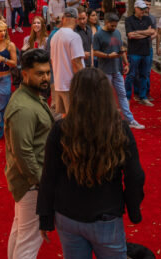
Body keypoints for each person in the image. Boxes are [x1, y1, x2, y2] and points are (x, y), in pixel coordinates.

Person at [36, 68, 145, 258]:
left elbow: (48, 176)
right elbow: (135, 175)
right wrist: (133, 209)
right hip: (105, 216)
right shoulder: (119, 129)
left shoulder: (61, 129)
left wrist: (45, 218)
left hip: (68, 215)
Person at [5, 49, 53, 259]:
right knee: (29, 242)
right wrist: (42, 183)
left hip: (30, 181)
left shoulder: (31, 97)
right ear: (25, 74)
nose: (45, 78)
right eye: (40, 74)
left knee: (21, 233)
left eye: (48, 73)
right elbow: (23, 153)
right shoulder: (23, 108)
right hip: (32, 184)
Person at [93, 13, 143, 130]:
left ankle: (129, 119)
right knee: (105, 96)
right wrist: (107, 55)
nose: (114, 28)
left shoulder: (117, 32)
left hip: (117, 69)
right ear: (106, 22)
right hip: (105, 70)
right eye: (112, 26)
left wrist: (126, 63)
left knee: (122, 95)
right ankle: (104, 120)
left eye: (115, 26)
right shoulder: (98, 35)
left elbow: (121, 49)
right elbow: (94, 52)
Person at [49, 7, 85, 116]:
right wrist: (84, 84)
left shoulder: (55, 36)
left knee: (65, 118)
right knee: (75, 119)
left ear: (64, 18)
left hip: (59, 84)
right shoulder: (74, 37)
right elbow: (76, 63)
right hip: (71, 85)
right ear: (75, 19)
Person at [124, 0, 157, 107]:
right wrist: (145, 33)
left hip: (146, 51)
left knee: (144, 75)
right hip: (134, 51)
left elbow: (152, 32)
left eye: (144, 9)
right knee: (131, 75)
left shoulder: (147, 19)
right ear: (135, 8)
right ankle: (127, 97)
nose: (143, 11)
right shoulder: (129, 20)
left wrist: (138, 32)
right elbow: (130, 35)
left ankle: (143, 97)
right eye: (141, 9)